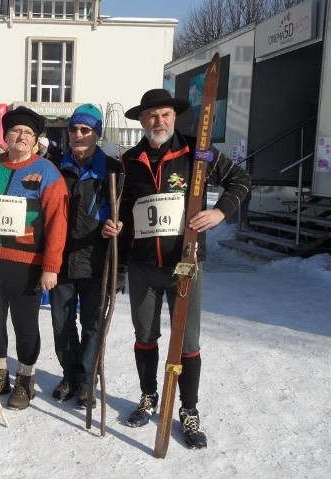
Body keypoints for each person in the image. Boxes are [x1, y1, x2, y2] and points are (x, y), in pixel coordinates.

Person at [107, 88, 251, 449]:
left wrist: (220, 212)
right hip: (143, 267)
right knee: (145, 336)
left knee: (187, 341)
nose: (159, 122)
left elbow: (241, 181)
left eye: (165, 115)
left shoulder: (196, 152)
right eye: (152, 116)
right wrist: (119, 227)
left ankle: (188, 410)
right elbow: (125, 211)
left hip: (185, 265)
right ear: (141, 121)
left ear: (174, 117)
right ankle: (148, 396)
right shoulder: (129, 160)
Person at [0, 106, 68, 410]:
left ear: (35, 140)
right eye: (16, 131)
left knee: (25, 325)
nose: (22, 136)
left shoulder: (47, 172)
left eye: (29, 133)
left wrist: (51, 266)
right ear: (6, 136)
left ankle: (25, 379)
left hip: (26, 264)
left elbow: (57, 222)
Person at [49, 104, 123, 409]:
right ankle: (70, 373)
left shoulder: (113, 170)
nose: (78, 135)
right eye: (73, 129)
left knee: (93, 324)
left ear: (97, 134)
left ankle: (86, 382)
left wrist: (119, 225)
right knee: (61, 323)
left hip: (97, 260)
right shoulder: (53, 168)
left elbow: (126, 211)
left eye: (85, 130)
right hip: (61, 259)